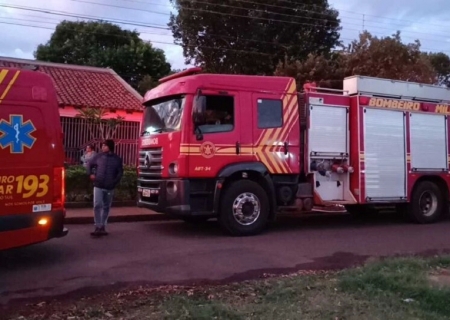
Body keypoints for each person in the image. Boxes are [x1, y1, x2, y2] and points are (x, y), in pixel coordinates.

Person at [86, 139, 123, 237]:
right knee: (97, 205)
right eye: (102, 145)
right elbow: (89, 164)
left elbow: (120, 173)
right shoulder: (98, 156)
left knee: (106, 206)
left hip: (110, 187)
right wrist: (90, 174)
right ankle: (97, 226)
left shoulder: (117, 159)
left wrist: (114, 182)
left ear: (110, 147)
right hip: (98, 185)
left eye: (105, 146)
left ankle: (102, 226)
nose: (102, 147)